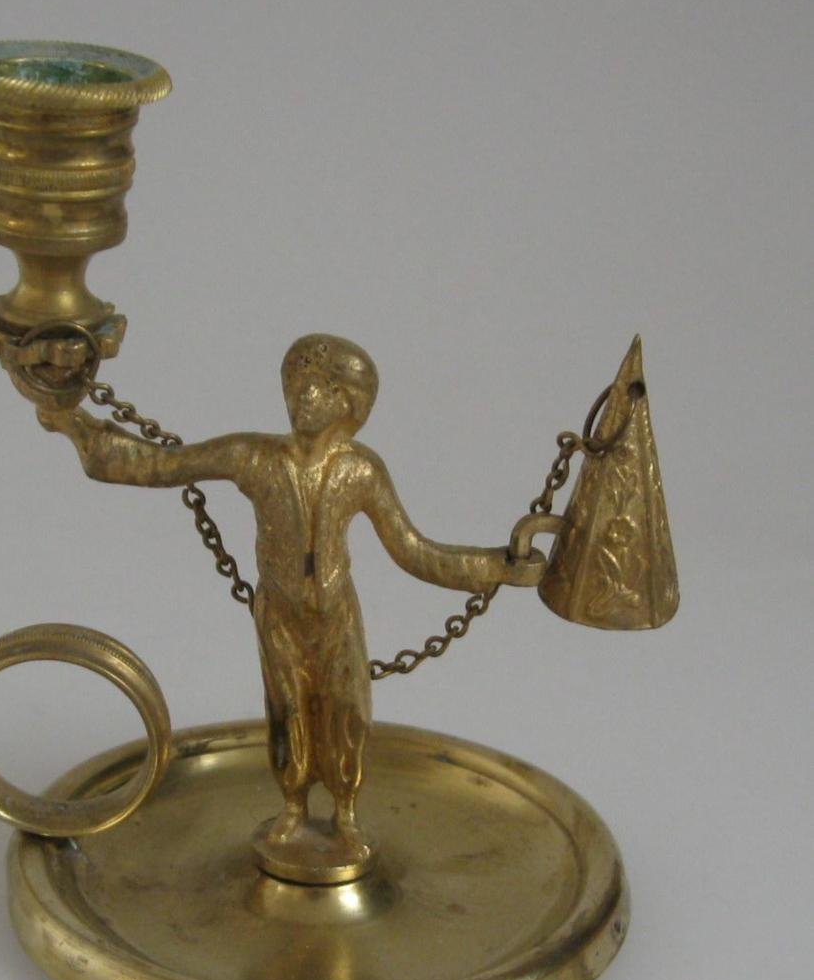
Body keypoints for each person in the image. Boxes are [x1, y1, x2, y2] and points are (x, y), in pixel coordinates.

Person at [28, 333, 545, 878]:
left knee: (346, 713)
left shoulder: (361, 472)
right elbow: (159, 465)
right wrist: (74, 424)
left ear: (347, 405)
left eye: (318, 389)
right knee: (288, 711)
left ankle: (345, 812)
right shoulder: (254, 457)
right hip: (280, 615)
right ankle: (294, 807)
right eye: (296, 387)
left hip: (337, 617)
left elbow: (415, 551)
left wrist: (497, 567)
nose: (303, 399)